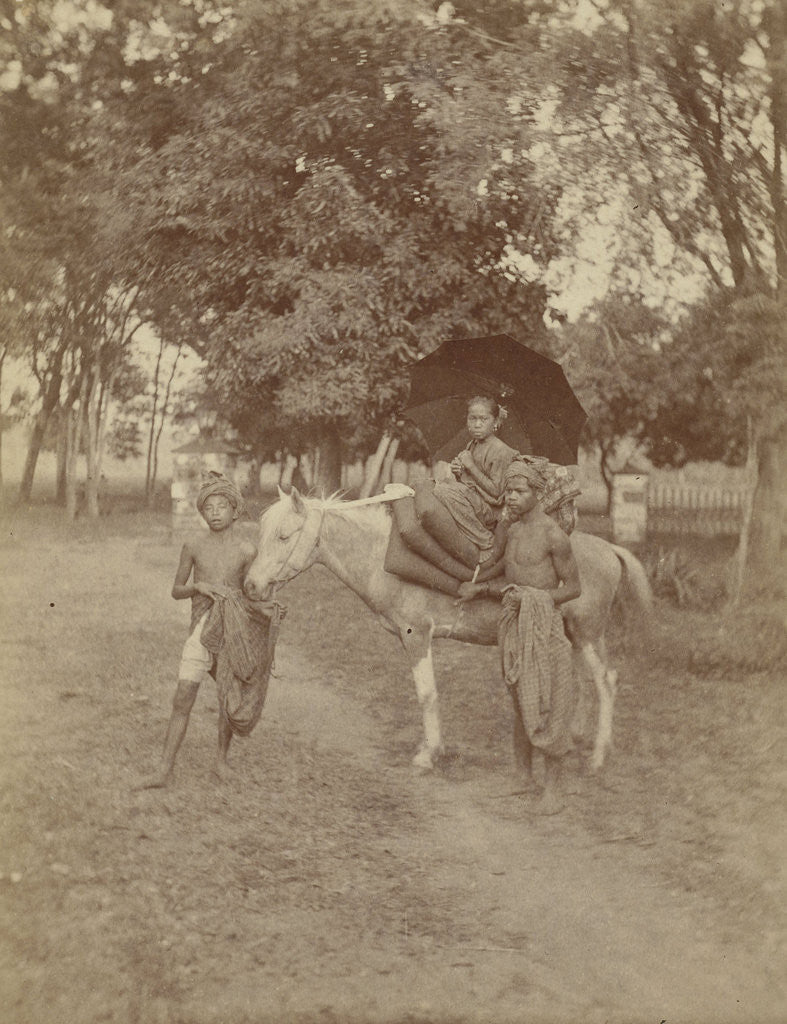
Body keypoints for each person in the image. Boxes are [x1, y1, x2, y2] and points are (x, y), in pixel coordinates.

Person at [457, 458, 582, 814]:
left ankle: (554, 790)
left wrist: (538, 599)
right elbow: (505, 574)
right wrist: (479, 590)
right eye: (508, 491)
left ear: (537, 493)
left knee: (548, 704)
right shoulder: (509, 531)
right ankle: (522, 776)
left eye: (519, 491)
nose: (511, 497)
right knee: (519, 700)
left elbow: (573, 587)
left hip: (543, 626)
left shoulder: (553, 536)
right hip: (513, 623)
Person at [135, 472, 262, 789]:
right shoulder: (193, 545)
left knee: (229, 699)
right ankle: (164, 770)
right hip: (201, 632)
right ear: (202, 512)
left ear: (235, 510)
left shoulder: (247, 551)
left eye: (222, 506)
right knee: (183, 697)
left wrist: (264, 607)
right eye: (209, 507)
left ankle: (221, 763)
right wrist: (199, 587)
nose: (216, 512)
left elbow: (252, 595)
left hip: (232, 634)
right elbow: (176, 590)